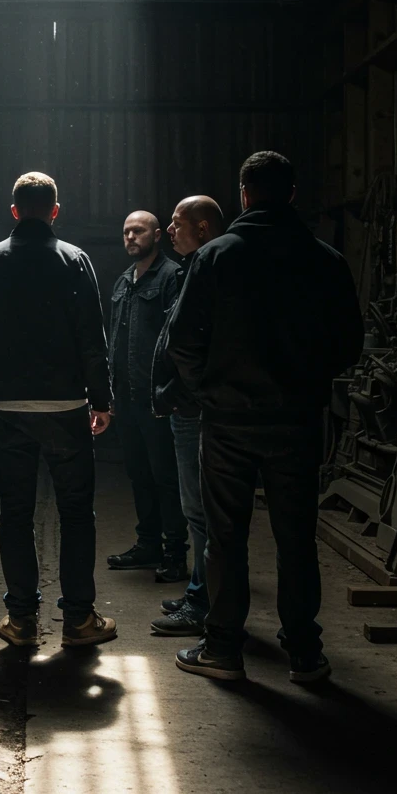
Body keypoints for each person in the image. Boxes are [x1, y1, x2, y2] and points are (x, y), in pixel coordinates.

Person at [167, 152, 363, 684]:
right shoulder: (326, 260)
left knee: (225, 536)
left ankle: (224, 649)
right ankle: (304, 653)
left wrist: (209, 390)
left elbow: (181, 341)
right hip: (297, 420)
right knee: (296, 535)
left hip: (228, 421)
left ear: (244, 195)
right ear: (292, 194)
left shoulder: (217, 257)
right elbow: (349, 345)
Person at [0, 171, 116, 648]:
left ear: (14, 211)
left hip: (9, 406)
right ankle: (78, 620)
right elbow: (93, 338)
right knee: (75, 514)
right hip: (67, 405)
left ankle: (22, 621)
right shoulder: (75, 260)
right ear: (55, 210)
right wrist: (102, 400)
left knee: (15, 515)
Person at [150, 196, 224, 637]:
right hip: (188, 406)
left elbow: (194, 345)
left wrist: (185, 393)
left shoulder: (209, 269)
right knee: (196, 510)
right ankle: (201, 589)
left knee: (202, 512)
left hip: (196, 409)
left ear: (201, 227)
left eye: (176, 224)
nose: (169, 231)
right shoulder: (191, 268)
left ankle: (205, 603)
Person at [106, 210, 187, 583]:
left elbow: (177, 339)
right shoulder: (124, 281)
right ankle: (149, 544)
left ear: (156, 235)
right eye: (126, 232)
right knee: (139, 475)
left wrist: (168, 391)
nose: (131, 237)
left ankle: (175, 554)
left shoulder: (171, 276)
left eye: (138, 231)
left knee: (165, 477)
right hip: (127, 397)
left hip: (156, 398)